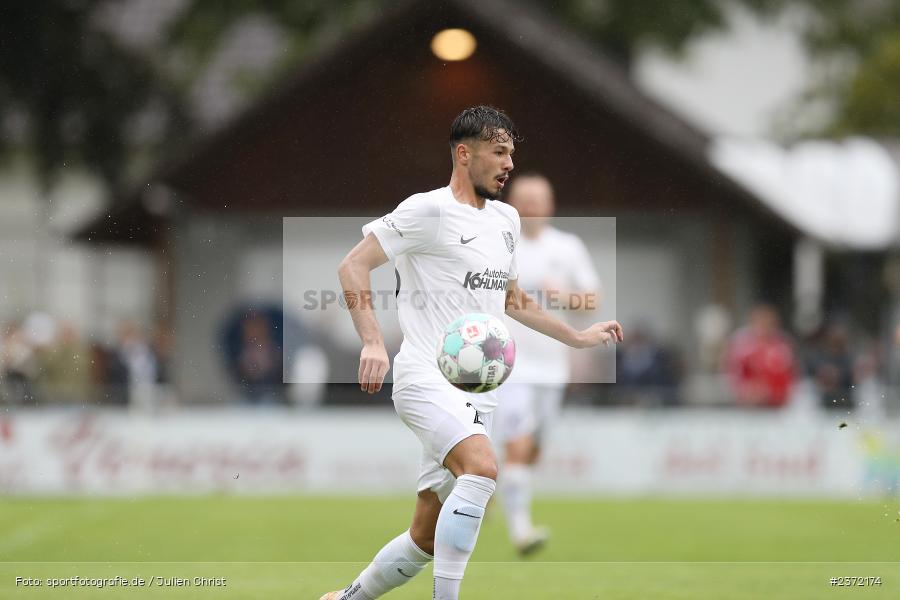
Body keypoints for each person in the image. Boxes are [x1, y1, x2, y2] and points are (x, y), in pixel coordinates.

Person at [321, 106, 623, 600]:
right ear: (465, 154)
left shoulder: (506, 219)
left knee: (423, 537)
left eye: (511, 154)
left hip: (478, 393)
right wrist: (373, 340)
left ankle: (347, 599)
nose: (509, 164)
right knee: (483, 468)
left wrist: (578, 336)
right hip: (423, 378)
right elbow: (353, 267)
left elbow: (512, 301)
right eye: (498, 153)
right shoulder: (428, 210)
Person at [491, 173, 601, 555]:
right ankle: (521, 530)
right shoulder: (501, 241)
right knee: (518, 445)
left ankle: (484, 487)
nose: (533, 206)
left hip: (553, 367)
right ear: (513, 204)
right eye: (526, 199)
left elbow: (592, 301)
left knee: (533, 450)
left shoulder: (568, 247)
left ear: (551, 206)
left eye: (540, 200)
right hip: (509, 365)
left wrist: (567, 297)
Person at [724, 304, 796, 408]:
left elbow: (789, 377)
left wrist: (772, 392)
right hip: (747, 405)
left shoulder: (782, 346)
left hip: (776, 406)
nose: (764, 326)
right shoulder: (741, 345)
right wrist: (745, 391)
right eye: (760, 322)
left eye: (768, 323)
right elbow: (732, 374)